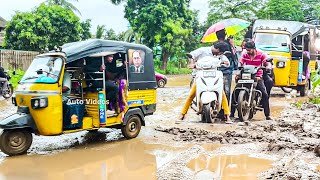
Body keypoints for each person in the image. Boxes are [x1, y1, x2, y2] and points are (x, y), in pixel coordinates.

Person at [179, 41, 233, 124]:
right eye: (220, 52)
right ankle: (182, 114)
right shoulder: (202, 50)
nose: (220, 54)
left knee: (222, 94)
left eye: (221, 53)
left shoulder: (220, 55)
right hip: (200, 76)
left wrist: (224, 62)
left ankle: (227, 115)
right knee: (191, 95)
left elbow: (227, 63)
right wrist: (192, 64)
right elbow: (191, 55)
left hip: (213, 77)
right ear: (218, 49)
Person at [231, 41, 272, 120]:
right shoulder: (244, 54)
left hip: (257, 76)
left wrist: (268, 67)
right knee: (235, 92)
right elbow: (241, 62)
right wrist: (238, 71)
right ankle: (231, 113)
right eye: (247, 50)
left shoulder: (261, 54)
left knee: (264, 94)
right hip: (246, 76)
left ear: (254, 49)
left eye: (249, 50)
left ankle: (267, 114)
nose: (248, 52)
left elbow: (267, 63)